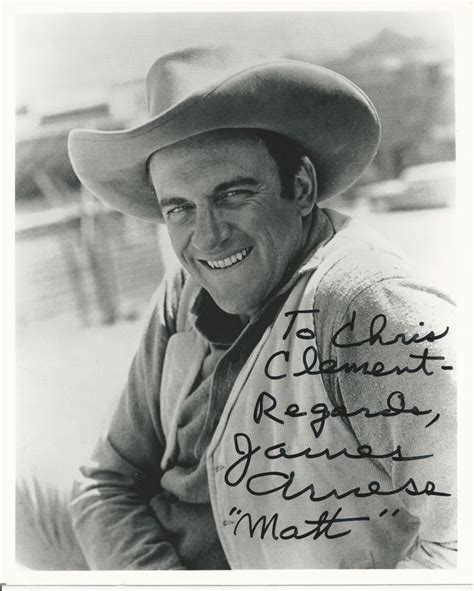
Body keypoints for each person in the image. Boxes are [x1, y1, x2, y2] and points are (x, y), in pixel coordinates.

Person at [18, 45, 456, 570]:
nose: (207, 237)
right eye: (179, 208)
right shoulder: (183, 292)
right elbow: (108, 479)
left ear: (300, 187)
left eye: (231, 195)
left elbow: (455, 547)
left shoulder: (365, 305)